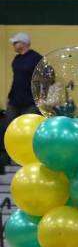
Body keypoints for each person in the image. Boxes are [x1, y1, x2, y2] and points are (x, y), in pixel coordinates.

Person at [1, 32, 42, 168]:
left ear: (24, 44)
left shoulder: (37, 58)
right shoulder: (16, 60)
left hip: (31, 102)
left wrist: (41, 97)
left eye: (15, 42)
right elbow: (17, 80)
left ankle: (31, 160)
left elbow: (49, 77)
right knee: (7, 129)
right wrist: (9, 95)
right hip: (15, 101)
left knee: (30, 131)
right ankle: (5, 160)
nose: (13, 45)